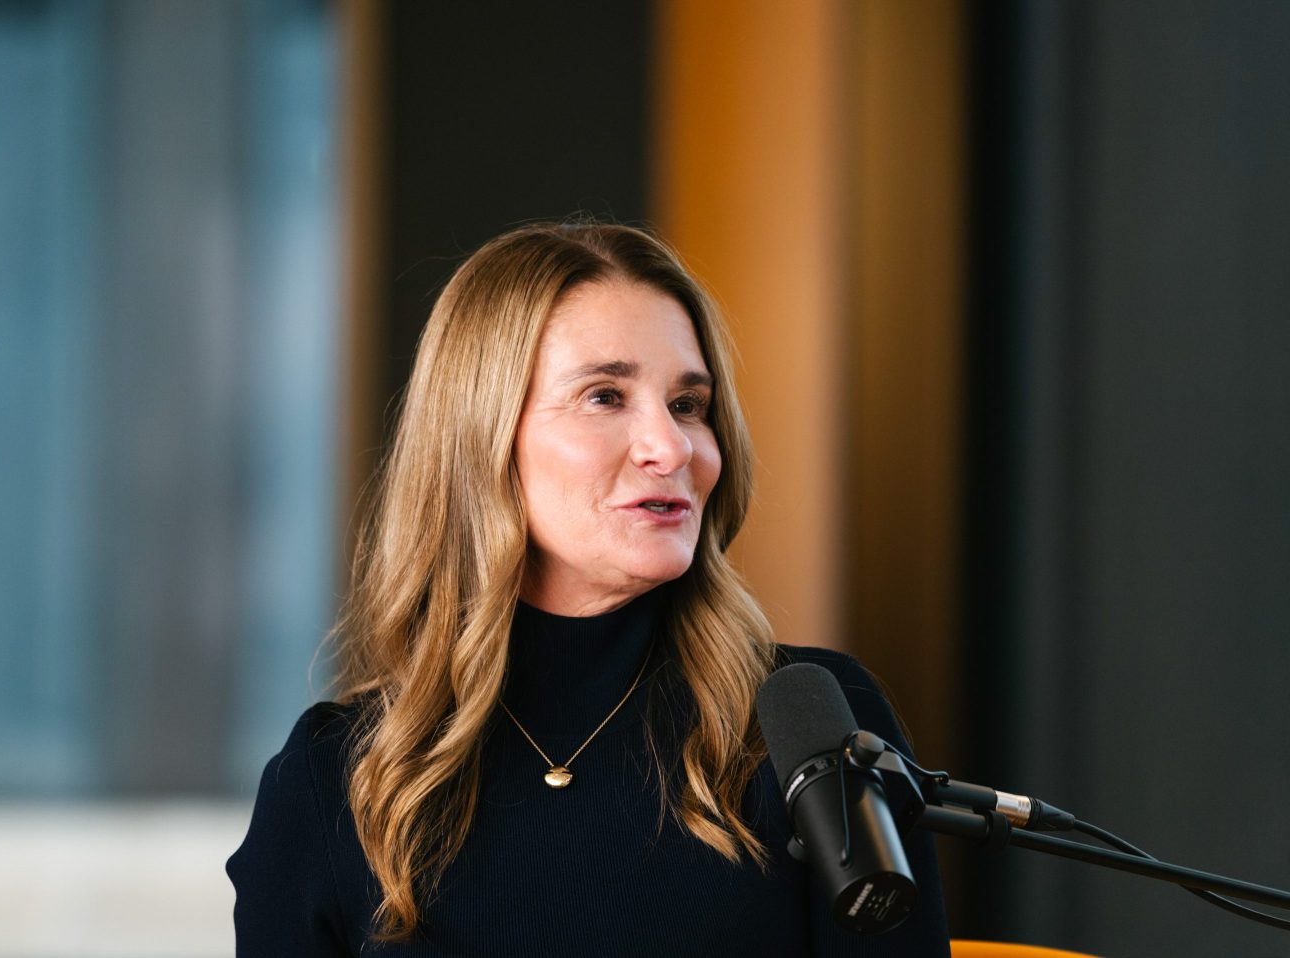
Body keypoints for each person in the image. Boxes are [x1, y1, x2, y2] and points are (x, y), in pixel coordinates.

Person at [227, 221, 950, 956]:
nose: (670, 448)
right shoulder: (336, 779)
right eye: (605, 397)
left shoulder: (811, 731)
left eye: (688, 404)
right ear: (482, 438)